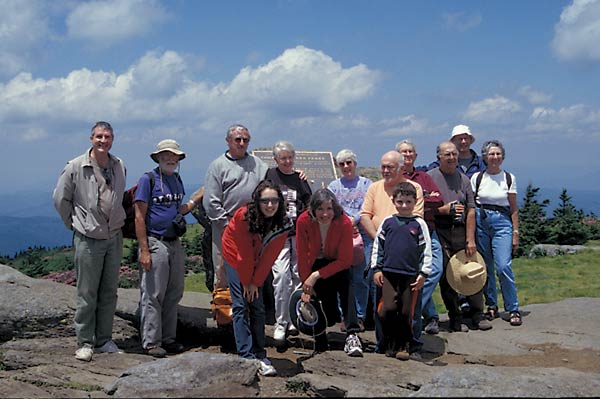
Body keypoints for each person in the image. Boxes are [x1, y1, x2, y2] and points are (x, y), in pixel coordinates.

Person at [53, 121, 126, 362]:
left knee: (109, 291)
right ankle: (84, 342)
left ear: (112, 139)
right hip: (88, 238)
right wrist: (75, 224)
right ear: (91, 138)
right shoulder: (76, 166)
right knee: (87, 293)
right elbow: (60, 199)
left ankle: (104, 339)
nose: (103, 141)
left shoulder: (118, 165)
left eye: (107, 136)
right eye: (98, 136)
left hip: (113, 236)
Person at [221, 179, 293, 376]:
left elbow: (270, 257)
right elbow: (243, 255)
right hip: (235, 255)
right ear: (257, 201)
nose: (270, 205)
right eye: (265, 201)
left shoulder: (282, 223)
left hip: (258, 257)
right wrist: (247, 282)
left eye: (274, 200)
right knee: (241, 305)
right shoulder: (243, 216)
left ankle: (260, 353)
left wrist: (256, 282)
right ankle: (246, 355)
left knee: (258, 306)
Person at [359, 150, 424, 352]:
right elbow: (364, 215)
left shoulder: (413, 188)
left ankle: (409, 340)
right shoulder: (375, 188)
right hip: (380, 247)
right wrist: (379, 239)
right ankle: (384, 341)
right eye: (383, 166)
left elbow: (417, 218)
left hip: (407, 254)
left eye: (390, 167)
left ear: (400, 168)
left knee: (408, 303)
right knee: (382, 300)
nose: (385, 170)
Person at [134, 139, 191, 357]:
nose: (170, 158)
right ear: (157, 157)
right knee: (153, 293)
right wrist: (144, 250)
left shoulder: (176, 179)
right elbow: (139, 216)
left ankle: (168, 338)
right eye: (166, 155)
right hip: (154, 241)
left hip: (174, 241)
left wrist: (196, 199)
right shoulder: (147, 180)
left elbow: (178, 208)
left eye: (174, 155)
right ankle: (151, 342)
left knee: (174, 292)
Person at [427, 141, 492, 332]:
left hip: (462, 230)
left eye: (454, 154)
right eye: (447, 154)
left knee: (473, 270)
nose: (452, 157)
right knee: (448, 276)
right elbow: (425, 207)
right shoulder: (430, 178)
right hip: (441, 230)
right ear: (438, 157)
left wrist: (470, 239)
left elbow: (471, 210)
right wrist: (444, 210)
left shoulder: (464, 179)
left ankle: (477, 314)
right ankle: (455, 317)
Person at [296, 189, 363, 356]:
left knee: (346, 285)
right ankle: (320, 338)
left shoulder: (344, 222)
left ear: (335, 208)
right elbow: (302, 255)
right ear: (312, 209)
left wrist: (315, 276)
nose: (325, 214)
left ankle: (352, 334)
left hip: (337, 263)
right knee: (322, 302)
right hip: (314, 262)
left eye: (329, 209)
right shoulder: (303, 221)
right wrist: (306, 284)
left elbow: (345, 260)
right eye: (320, 209)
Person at [202, 124, 269, 291]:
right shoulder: (217, 166)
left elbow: (270, 188)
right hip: (225, 225)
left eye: (245, 140)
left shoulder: (258, 164)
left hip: (253, 226)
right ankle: (225, 312)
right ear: (228, 141)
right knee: (224, 269)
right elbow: (211, 202)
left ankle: (250, 311)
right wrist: (227, 225)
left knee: (252, 268)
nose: (241, 143)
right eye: (237, 139)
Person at [371, 182, 432, 360]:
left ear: (415, 202)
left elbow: (426, 251)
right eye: (400, 202)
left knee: (406, 312)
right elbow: (378, 247)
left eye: (408, 202)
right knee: (388, 309)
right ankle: (389, 341)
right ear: (394, 201)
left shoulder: (419, 224)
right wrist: (377, 269)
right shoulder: (388, 222)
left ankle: (404, 345)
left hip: (410, 276)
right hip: (389, 273)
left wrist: (423, 273)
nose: (404, 206)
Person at [396, 140, 444, 340]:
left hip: (427, 231)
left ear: (415, 156)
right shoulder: (395, 177)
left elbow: (438, 199)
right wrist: (423, 196)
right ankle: (429, 316)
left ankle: (412, 308)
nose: (407, 155)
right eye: (403, 152)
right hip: (403, 234)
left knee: (435, 269)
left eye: (410, 152)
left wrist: (422, 197)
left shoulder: (423, 177)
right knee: (413, 274)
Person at [265, 141, 312, 344]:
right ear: (276, 159)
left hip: (298, 235)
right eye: (283, 158)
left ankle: (294, 318)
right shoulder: (270, 176)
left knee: (297, 277)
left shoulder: (300, 179)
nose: (287, 161)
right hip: (278, 235)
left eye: (290, 157)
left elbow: (310, 204)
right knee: (281, 277)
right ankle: (280, 322)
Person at [471, 140, 522, 326]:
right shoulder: (477, 178)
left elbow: (514, 207)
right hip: (481, 221)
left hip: (502, 222)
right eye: (491, 154)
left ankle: (513, 307)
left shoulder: (508, 178)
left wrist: (515, 232)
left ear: (503, 156)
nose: (495, 157)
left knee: (503, 266)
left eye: (498, 154)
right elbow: (471, 205)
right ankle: (491, 305)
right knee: (486, 266)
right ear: (484, 157)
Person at [327, 149, 373, 332]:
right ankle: (345, 315)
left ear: (355, 163)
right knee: (342, 277)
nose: (346, 167)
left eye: (349, 162)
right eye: (342, 164)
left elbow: (369, 207)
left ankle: (360, 316)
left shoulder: (367, 184)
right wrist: (347, 222)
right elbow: (330, 209)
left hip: (363, 236)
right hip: (341, 236)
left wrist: (356, 220)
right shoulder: (334, 187)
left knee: (360, 278)